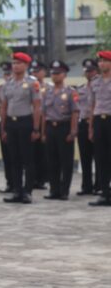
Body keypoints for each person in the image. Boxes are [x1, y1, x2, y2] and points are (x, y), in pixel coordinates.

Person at [0, 52, 41, 204]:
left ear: (26, 65)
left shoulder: (32, 82)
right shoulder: (7, 84)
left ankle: (27, 191)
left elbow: (37, 106)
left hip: (25, 122)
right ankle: (16, 190)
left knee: (27, 159)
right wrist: (3, 128)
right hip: (11, 123)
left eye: (19, 63)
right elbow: (3, 107)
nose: (15, 65)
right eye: (14, 63)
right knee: (14, 159)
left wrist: (36, 128)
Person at [41, 60, 78, 201]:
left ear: (64, 75)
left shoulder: (71, 92)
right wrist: (44, 132)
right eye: (53, 73)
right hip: (51, 127)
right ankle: (54, 190)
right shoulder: (47, 92)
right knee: (52, 161)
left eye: (58, 73)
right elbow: (44, 114)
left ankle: (64, 191)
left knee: (66, 161)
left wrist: (73, 131)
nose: (54, 76)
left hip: (64, 128)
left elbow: (75, 112)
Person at [89, 51, 111, 206]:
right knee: (101, 158)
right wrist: (91, 127)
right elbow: (92, 105)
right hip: (98, 120)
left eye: (105, 61)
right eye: (100, 61)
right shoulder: (95, 81)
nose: (102, 64)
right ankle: (104, 193)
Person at [76, 59, 100, 196]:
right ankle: (86, 186)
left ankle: (99, 185)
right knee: (85, 157)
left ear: (96, 71)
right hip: (83, 124)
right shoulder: (80, 88)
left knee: (99, 157)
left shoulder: (101, 86)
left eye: (91, 71)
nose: (88, 73)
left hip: (97, 123)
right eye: (86, 71)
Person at [30, 60, 51, 190]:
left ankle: (42, 179)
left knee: (43, 153)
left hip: (45, 121)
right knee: (31, 153)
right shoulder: (29, 85)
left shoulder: (49, 87)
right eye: (33, 71)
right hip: (30, 120)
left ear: (44, 72)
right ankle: (32, 179)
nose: (35, 73)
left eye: (37, 71)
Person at [0, 61, 14, 193]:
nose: (7, 76)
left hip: (19, 121)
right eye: (5, 74)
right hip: (4, 122)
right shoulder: (0, 89)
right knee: (7, 156)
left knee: (19, 156)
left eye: (10, 73)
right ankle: (10, 183)